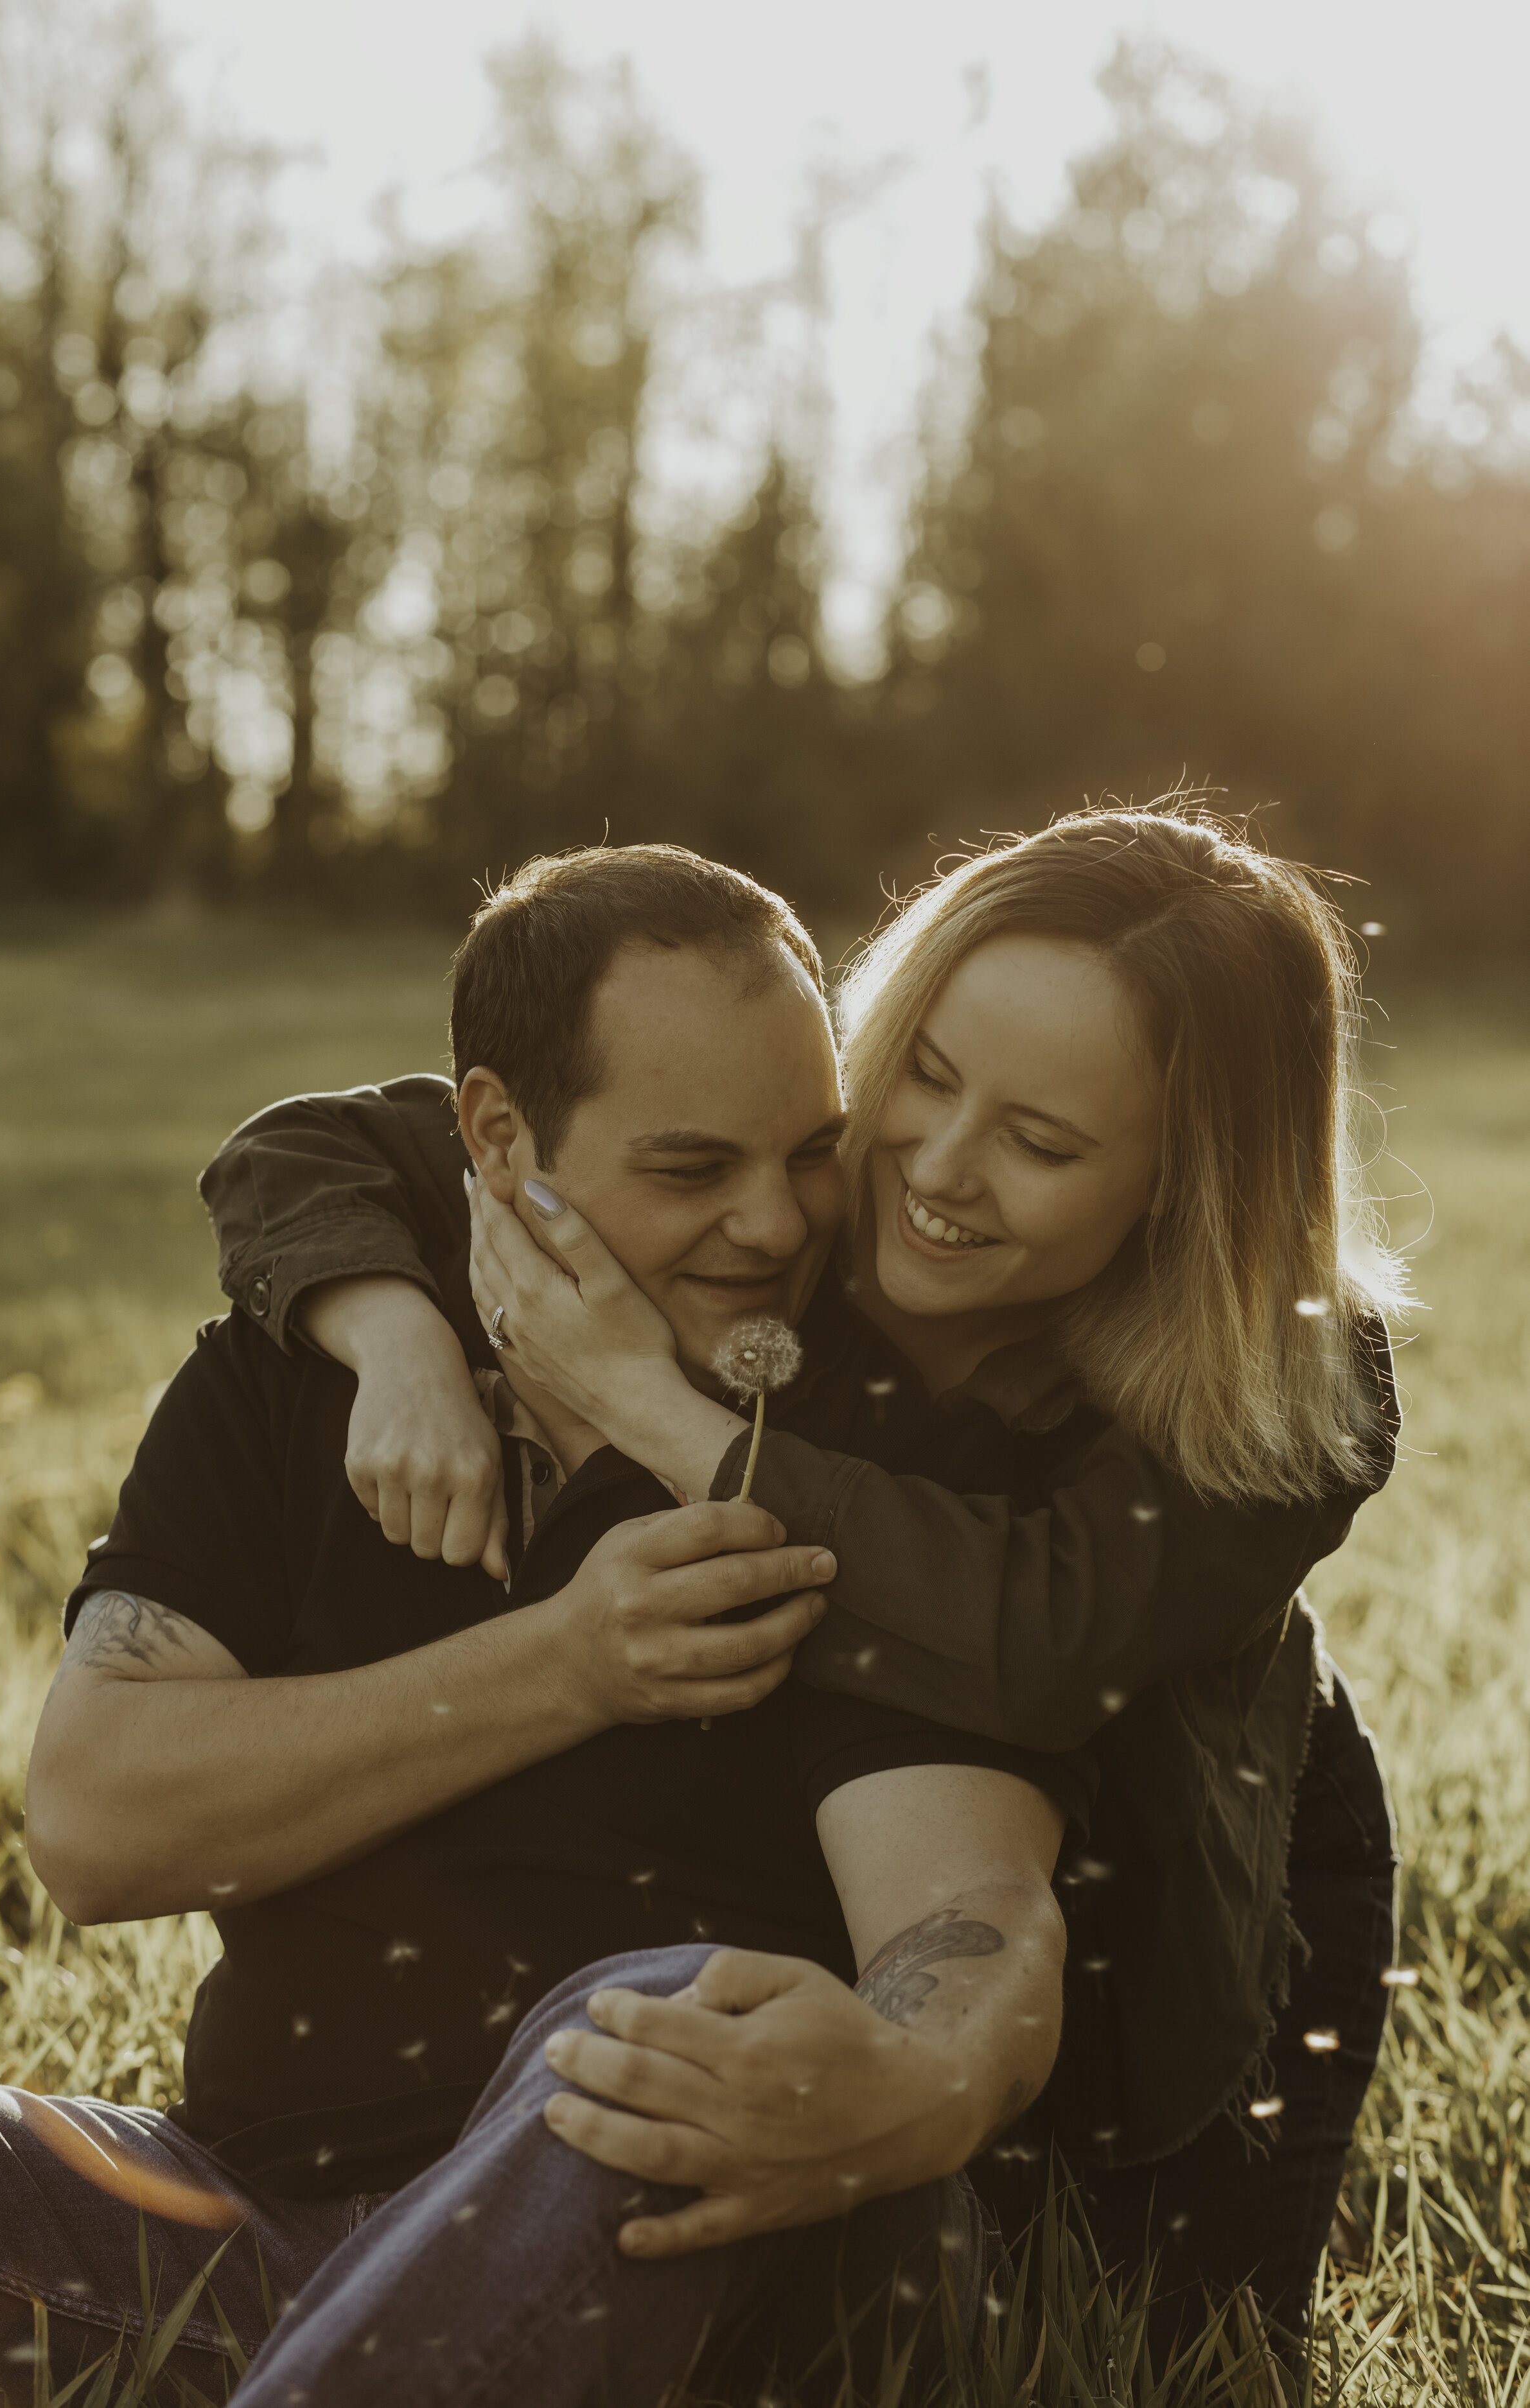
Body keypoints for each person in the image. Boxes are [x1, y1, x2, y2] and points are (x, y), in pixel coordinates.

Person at [197, 816, 1404, 2360]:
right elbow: (320, 1147)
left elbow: (1032, 1640)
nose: (939, 1175)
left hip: (1185, 1867)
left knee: (1165, 2342)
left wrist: (657, 1414)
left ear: (1184, 1186)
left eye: (1039, 1144)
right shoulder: (806, 1195)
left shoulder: (1290, 1381)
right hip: (912, 1857)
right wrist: (393, 1334)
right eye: (924, 1078)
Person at [0, 853, 1086, 2408]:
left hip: (657, 2257)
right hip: (230, 2229)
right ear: (495, 1134)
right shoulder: (301, 1369)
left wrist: (915, 2081)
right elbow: (93, 1821)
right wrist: (564, 1666)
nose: (773, 1223)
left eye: (807, 1153)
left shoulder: (875, 1464)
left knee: (669, 2025)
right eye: (690, 1170)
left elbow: (969, 1911)